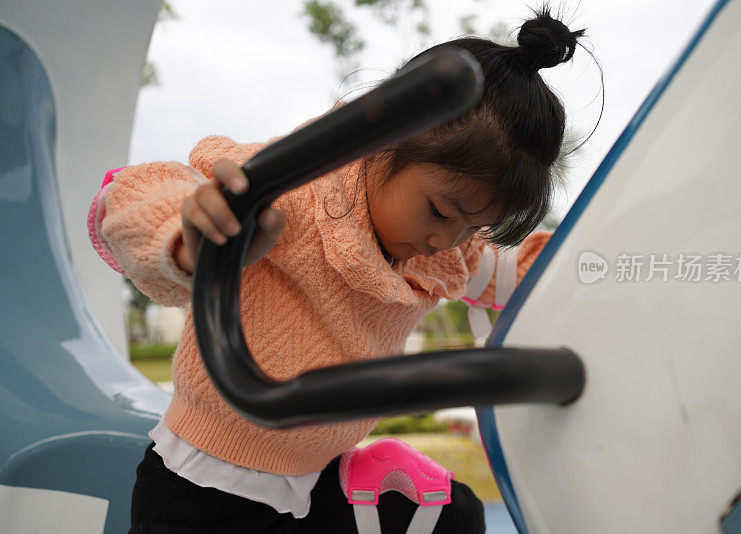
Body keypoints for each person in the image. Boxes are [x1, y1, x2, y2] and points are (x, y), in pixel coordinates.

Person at [91, 9, 589, 534]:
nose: (449, 239)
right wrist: (194, 237)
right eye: (440, 212)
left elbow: (516, 271)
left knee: (457, 517)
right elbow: (135, 194)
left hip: (313, 483)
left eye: (474, 227)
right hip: (201, 491)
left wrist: (593, 268)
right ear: (387, 146)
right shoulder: (294, 191)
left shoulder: (441, 250)